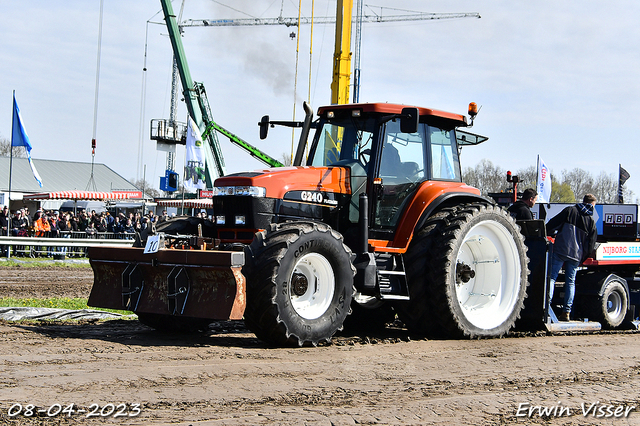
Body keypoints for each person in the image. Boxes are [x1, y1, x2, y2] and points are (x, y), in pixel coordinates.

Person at [545, 194, 598, 321]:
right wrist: (582, 257)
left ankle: (546, 307)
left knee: (552, 278)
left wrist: (544, 232)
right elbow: (591, 244)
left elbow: (553, 224)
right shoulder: (590, 221)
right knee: (570, 282)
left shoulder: (570, 210)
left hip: (561, 250)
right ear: (591, 204)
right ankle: (566, 312)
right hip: (576, 255)